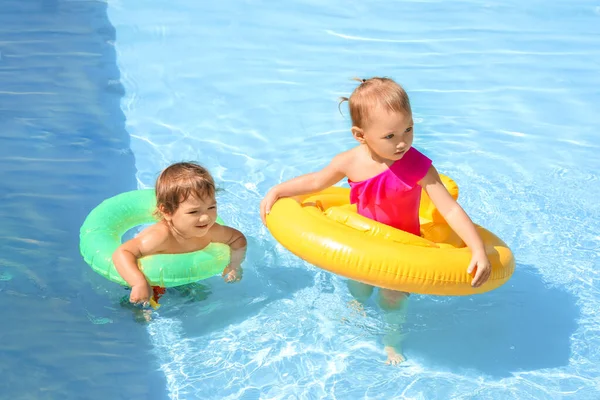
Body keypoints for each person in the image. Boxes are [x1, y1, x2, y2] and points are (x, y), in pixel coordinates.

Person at [260, 77, 491, 365]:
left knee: (393, 299)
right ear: (360, 135)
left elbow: (450, 209)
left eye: (409, 129)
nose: (403, 142)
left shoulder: (418, 166)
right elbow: (317, 182)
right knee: (358, 286)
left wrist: (477, 249)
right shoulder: (349, 161)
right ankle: (357, 305)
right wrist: (278, 190)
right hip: (365, 240)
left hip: (402, 247)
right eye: (390, 136)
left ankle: (392, 342)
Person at [113, 162, 247, 307]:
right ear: (167, 211)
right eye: (193, 212)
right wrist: (138, 283)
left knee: (203, 298)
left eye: (211, 207)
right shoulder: (159, 237)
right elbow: (123, 252)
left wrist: (234, 264)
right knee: (140, 307)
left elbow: (237, 239)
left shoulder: (212, 231)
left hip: (181, 275)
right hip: (151, 277)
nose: (206, 218)